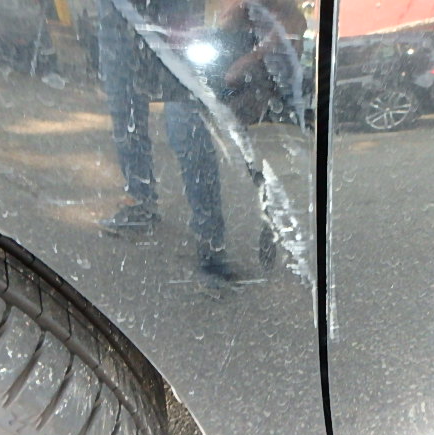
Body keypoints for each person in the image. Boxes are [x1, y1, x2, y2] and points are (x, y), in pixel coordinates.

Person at [98, 0, 306, 278]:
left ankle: (212, 250)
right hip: (119, 11)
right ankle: (141, 204)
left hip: (176, 16)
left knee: (186, 123)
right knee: (128, 113)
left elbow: (289, 22)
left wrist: (251, 55)